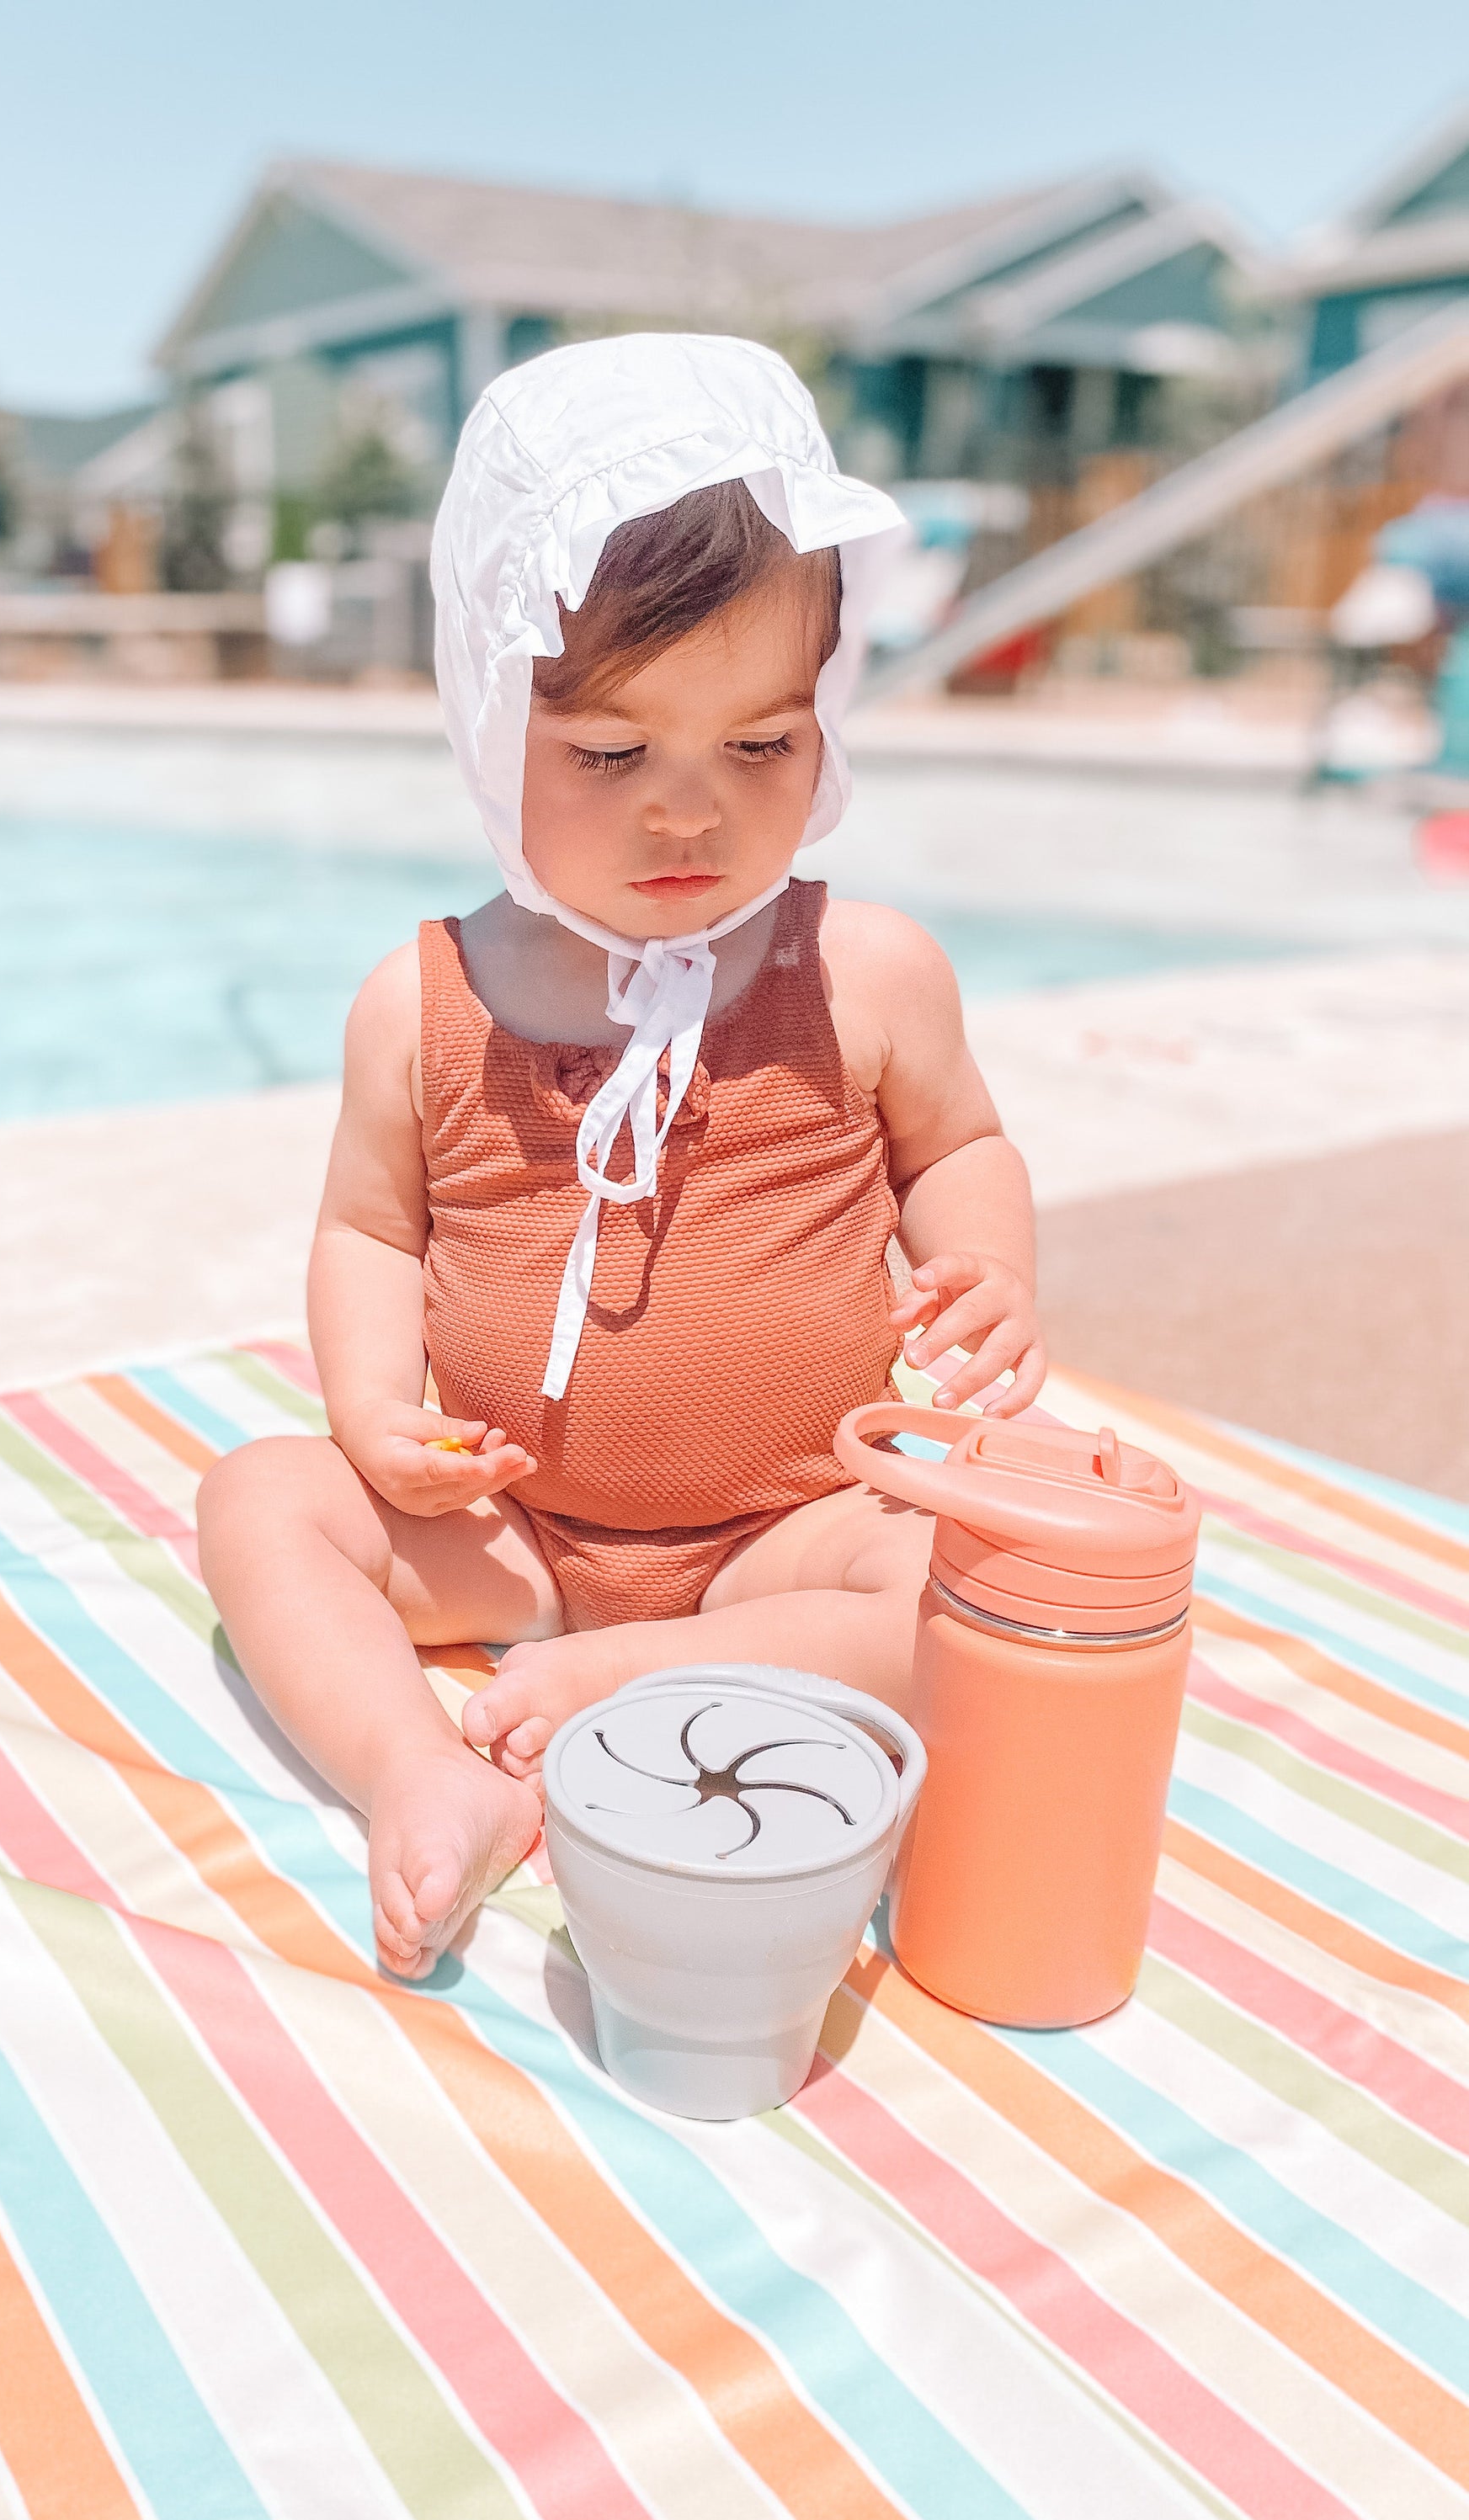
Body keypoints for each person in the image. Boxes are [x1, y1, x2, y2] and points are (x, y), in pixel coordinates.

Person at [199, 334, 1043, 1980]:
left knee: (958, 1580)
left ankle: (647, 1686)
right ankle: (417, 1771)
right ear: (489, 708)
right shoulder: (424, 997)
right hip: (517, 1531)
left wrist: (991, 1266)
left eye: (761, 746)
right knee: (261, 1504)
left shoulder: (862, 971)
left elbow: (966, 1145)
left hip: (785, 1532)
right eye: (609, 753)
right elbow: (370, 1232)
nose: (688, 815)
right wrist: (373, 1410)